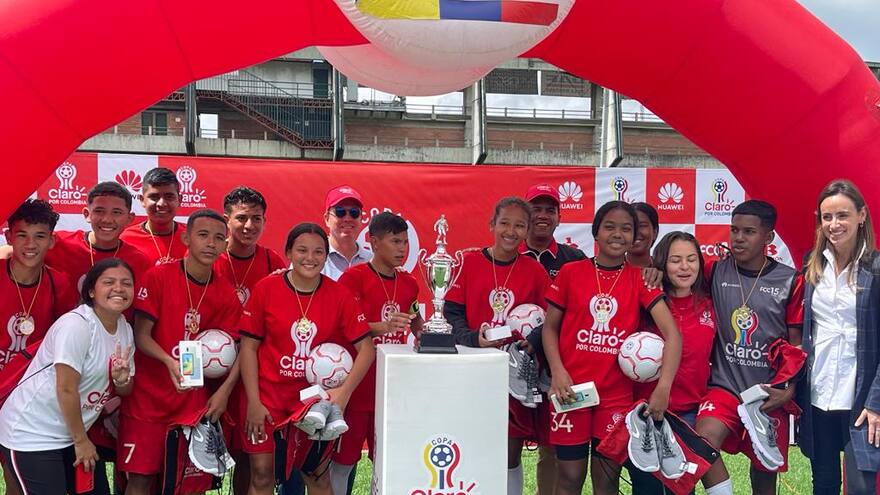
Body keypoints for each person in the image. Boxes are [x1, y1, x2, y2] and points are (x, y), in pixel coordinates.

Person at [542, 200, 681, 495]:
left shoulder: (640, 279)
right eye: (610, 227)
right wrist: (558, 372)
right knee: (569, 475)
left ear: (634, 237)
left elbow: (673, 335)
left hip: (615, 399)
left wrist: (663, 388)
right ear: (595, 232)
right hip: (571, 392)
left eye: (626, 229)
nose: (618, 234)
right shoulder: (570, 272)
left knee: (606, 478)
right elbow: (550, 328)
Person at [239, 223, 374, 495]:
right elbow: (249, 348)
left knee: (317, 477)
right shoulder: (266, 289)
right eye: (302, 250)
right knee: (263, 477)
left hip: (312, 403)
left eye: (318, 252)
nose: (310, 258)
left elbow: (367, 349)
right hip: (267, 398)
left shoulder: (339, 295)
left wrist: (343, 394)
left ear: (326, 256)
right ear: (288, 252)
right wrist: (253, 401)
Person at [118, 209, 242, 494]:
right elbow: (141, 334)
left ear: (225, 244)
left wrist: (223, 393)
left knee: (186, 486)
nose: (211, 243)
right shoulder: (159, 276)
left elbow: (241, 347)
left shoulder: (224, 292)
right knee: (140, 480)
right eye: (203, 235)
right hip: (147, 402)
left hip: (191, 405)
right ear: (186, 238)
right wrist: (168, 361)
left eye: (219, 238)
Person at [695, 200, 804, 495]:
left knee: (764, 474)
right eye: (734, 230)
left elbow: (797, 344)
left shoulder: (790, 280)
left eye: (749, 231)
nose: (738, 238)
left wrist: (788, 388)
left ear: (768, 237)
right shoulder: (714, 271)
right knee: (702, 441)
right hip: (724, 386)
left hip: (768, 393)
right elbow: (676, 271)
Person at [0, 258, 136, 495]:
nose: (119, 288)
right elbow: (65, 388)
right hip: (32, 433)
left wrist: (121, 379)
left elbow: (125, 389)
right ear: (92, 290)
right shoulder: (77, 325)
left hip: (70, 434)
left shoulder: (124, 328)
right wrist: (82, 442)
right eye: (109, 282)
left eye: (126, 283)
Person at [444, 197, 551, 495]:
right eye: (505, 223)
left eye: (520, 225)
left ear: (527, 231)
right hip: (472, 372)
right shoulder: (467, 262)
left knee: (509, 451)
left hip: (514, 376)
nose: (511, 231)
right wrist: (471, 337)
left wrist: (533, 340)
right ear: (492, 225)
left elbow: (553, 320)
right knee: (470, 444)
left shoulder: (534, 271)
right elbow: (450, 315)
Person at [797, 179, 879, 494]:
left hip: (861, 400)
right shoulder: (810, 264)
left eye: (842, 215)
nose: (834, 224)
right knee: (825, 484)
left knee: (860, 487)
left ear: (862, 216)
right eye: (826, 217)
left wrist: (876, 403)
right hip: (818, 396)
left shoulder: (877, 268)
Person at [332, 212, 424, 495]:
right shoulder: (353, 278)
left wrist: (425, 332)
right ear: (373, 242)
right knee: (344, 460)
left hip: (394, 388)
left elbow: (415, 318)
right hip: (359, 387)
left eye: (405, 243)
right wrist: (382, 326)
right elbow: (342, 327)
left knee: (388, 459)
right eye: (395, 242)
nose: (402, 249)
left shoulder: (409, 283)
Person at [0, 199, 78, 494]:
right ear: (8, 237)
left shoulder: (60, 283)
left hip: (22, 398)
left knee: (15, 479)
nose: (30, 244)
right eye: (22, 235)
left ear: (53, 240)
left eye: (40, 236)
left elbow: (64, 340)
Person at [630, 231, 716, 493]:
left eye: (691, 259)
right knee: (648, 489)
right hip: (648, 413)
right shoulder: (646, 302)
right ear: (662, 264)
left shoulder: (709, 304)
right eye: (675, 260)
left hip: (689, 414)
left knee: (682, 488)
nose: (685, 267)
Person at [215, 186, 287, 494]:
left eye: (256, 219)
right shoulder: (211, 259)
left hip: (255, 375)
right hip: (213, 374)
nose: (249, 226)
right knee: (206, 455)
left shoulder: (273, 263)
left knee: (249, 456)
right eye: (241, 218)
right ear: (226, 219)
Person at [519, 183, 586, 495]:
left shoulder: (575, 260)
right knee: (506, 444)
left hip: (556, 370)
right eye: (536, 208)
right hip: (511, 365)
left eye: (550, 209)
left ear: (559, 218)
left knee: (552, 448)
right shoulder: (505, 254)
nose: (542, 215)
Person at [45, 181, 152, 292]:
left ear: (129, 218)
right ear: (87, 214)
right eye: (99, 211)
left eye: (116, 212)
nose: (107, 220)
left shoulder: (139, 262)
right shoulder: (58, 243)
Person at [120, 167, 188, 266]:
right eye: (154, 197)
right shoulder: (125, 239)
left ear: (180, 200)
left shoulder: (192, 237)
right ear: (142, 200)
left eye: (169, 197)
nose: (162, 203)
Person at [321, 185, 371, 281]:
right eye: (340, 212)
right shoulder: (311, 261)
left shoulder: (373, 262)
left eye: (354, 212)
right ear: (327, 219)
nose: (347, 219)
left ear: (361, 218)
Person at [628, 202, 659, 268]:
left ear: (654, 232)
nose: (635, 232)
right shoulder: (607, 271)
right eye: (629, 226)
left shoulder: (666, 272)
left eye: (642, 225)